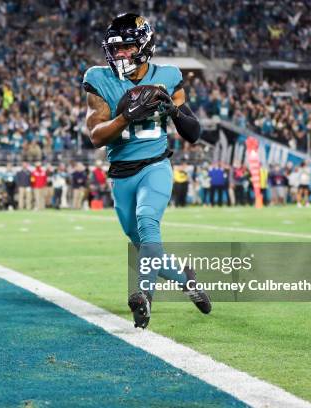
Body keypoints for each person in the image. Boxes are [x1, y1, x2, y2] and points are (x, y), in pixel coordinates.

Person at [83, 13, 210, 329]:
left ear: (143, 46)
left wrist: (173, 111)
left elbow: (193, 133)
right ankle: (187, 279)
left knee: (147, 221)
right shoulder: (99, 79)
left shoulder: (167, 76)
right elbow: (95, 136)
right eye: (115, 49)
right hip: (121, 174)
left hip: (155, 166)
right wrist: (125, 117)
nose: (119, 55)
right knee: (144, 245)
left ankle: (144, 294)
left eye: (126, 47)